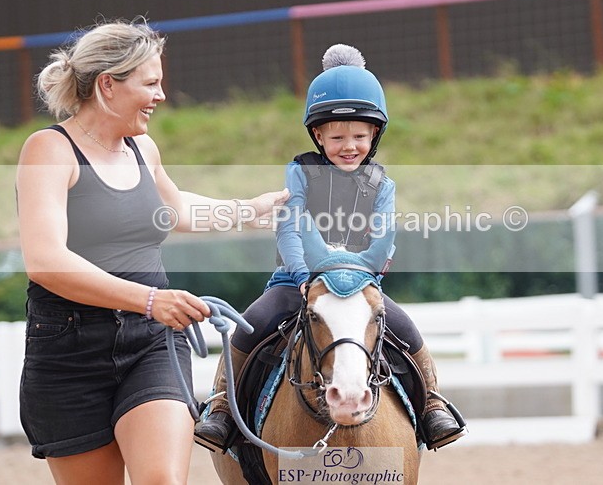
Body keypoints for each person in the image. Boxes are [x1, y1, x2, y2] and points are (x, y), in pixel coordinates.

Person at [15, 18, 289, 485]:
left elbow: (176, 210)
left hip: (151, 340)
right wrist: (148, 299)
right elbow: (45, 262)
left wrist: (251, 209)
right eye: (152, 83)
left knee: (162, 479)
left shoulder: (142, 147)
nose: (161, 95)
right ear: (108, 85)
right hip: (68, 344)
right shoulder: (49, 150)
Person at [194, 44, 466, 452]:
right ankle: (221, 408)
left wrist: (369, 275)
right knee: (251, 324)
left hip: (359, 283)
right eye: (337, 136)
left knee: (407, 329)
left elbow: (384, 235)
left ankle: (431, 404)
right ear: (318, 135)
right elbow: (291, 227)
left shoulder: (382, 184)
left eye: (359, 135)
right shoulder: (300, 171)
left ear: (374, 134)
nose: (349, 145)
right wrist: (304, 276)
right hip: (296, 280)